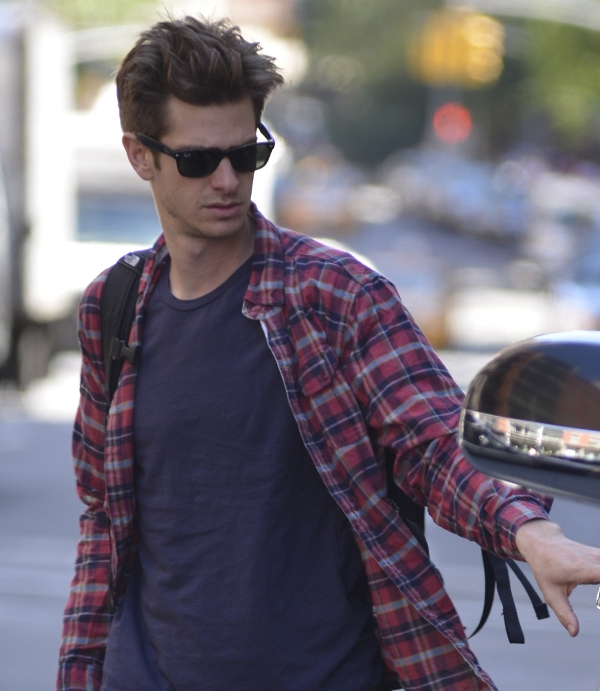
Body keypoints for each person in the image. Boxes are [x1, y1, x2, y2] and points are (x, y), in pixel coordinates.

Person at [58, 15, 600, 691]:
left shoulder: (335, 296)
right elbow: (104, 518)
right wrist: (78, 670)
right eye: (198, 160)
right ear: (141, 156)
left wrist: (530, 532)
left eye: (246, 154)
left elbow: (434, 438)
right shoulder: (112, 306)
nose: (227, 180)